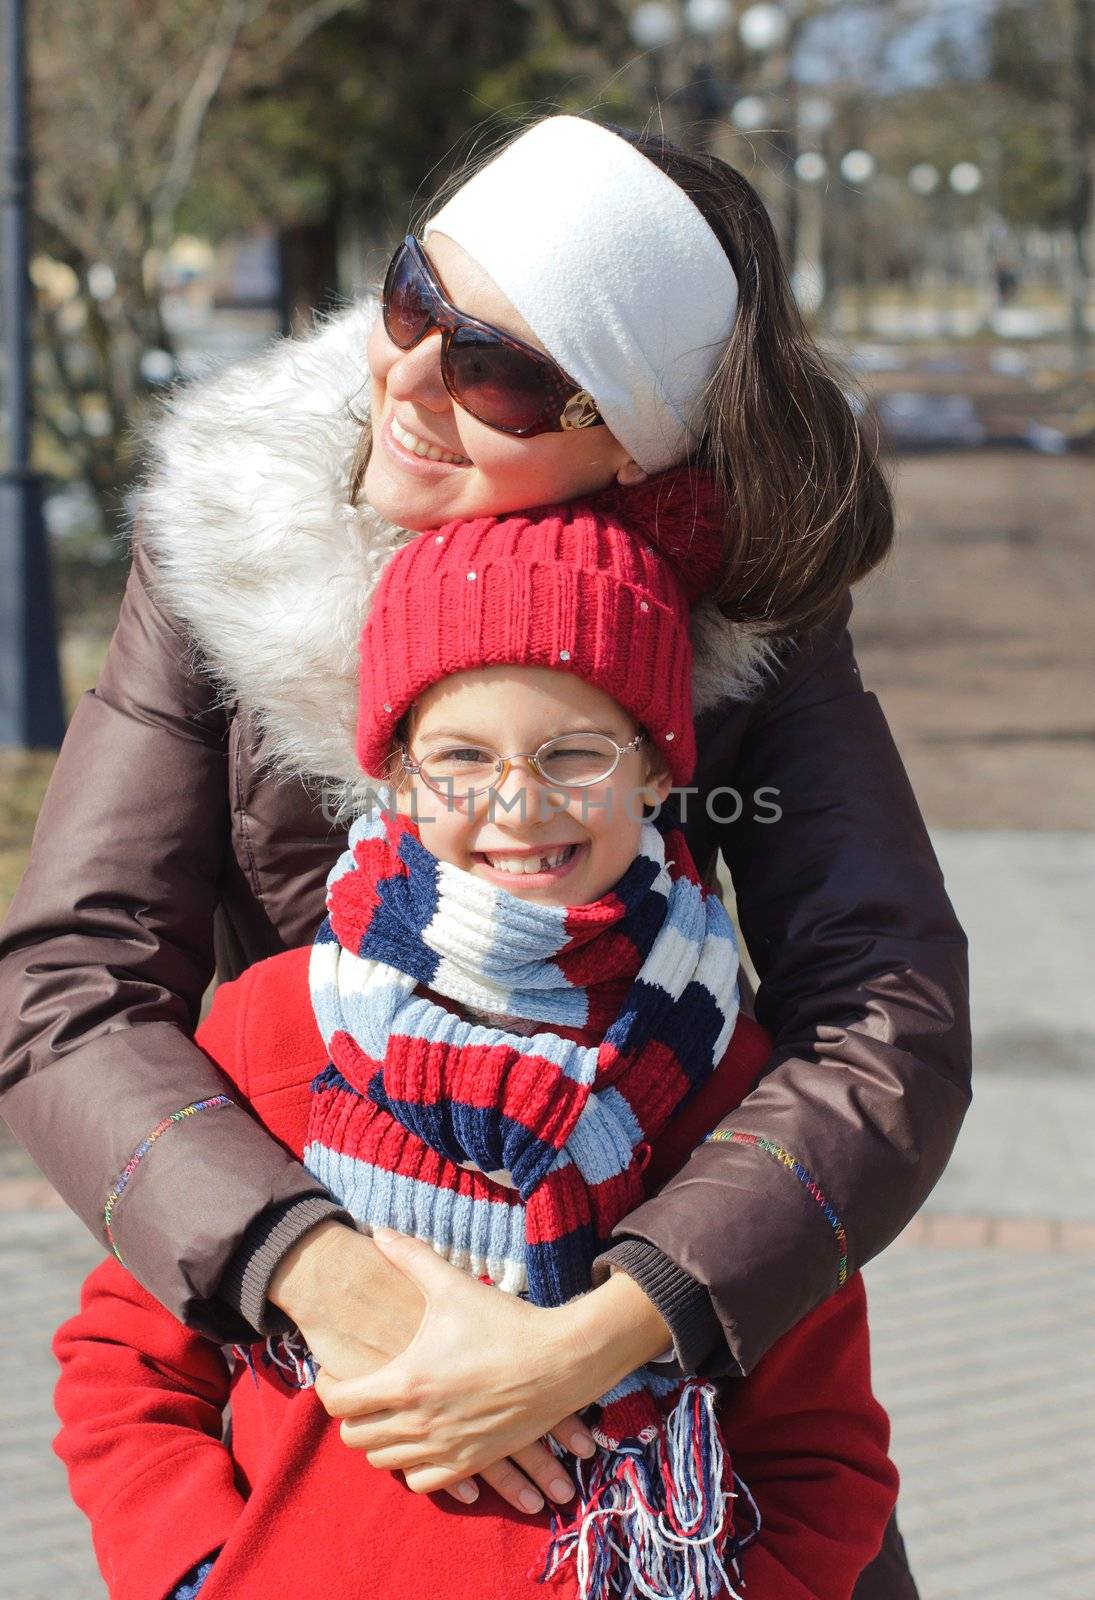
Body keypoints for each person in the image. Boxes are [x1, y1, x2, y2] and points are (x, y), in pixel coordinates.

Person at [1, 115, 968, 1593]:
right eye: (412, 299)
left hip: (674, 1461)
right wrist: (323, 1289)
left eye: (500, 370)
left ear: (635, 441)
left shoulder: (740, 615)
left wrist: (601, 1332)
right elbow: (71, 979)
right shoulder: (228, 535)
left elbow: (886, 1007)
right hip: (327, 1416)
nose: (404, 378)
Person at [53, 490, 900, 1600]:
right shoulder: (275, 1025)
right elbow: (127, 1364)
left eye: (574, 753)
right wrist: (203, 1570)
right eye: (460, 754)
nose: (518, 800)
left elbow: (820, 1453)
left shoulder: (732, 1078)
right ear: (395, 770)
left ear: (655, 768)